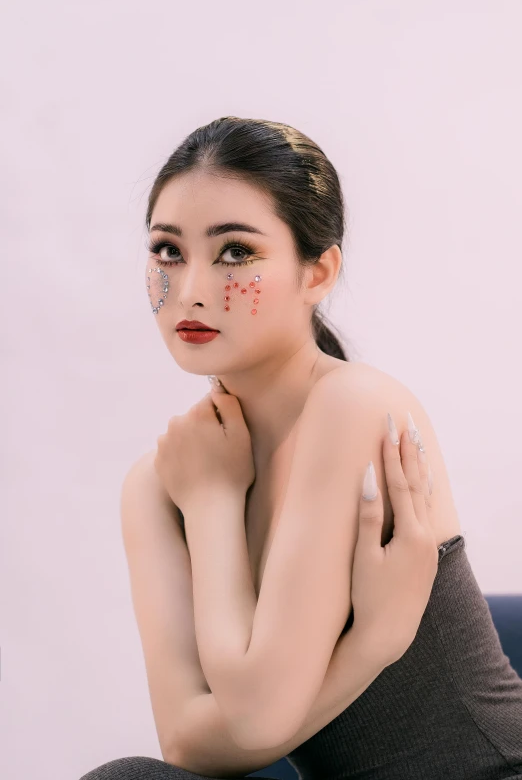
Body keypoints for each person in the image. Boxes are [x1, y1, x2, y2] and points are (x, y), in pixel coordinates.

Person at [80, 117, 522, 780]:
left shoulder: (355, 406)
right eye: (168, 251)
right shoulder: (159, 484)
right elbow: (186, 742)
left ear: (319, 271)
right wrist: (372, 641)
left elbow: (253, 717)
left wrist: (211, 504)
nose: (192, 288)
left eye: (235, 252)